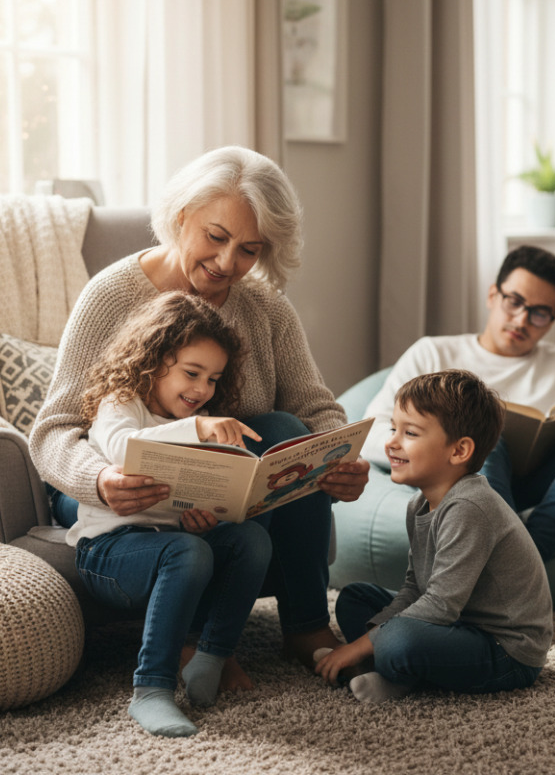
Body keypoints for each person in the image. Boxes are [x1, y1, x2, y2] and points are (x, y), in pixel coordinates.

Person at [29, 146, 370, 675]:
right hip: (109, 487)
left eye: (250, 250)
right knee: (271, 433)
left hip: (212, 484)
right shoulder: (111, 296)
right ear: (181, 215)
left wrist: (340, 456)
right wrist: (99, 480)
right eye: (216, 237)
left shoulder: (266, 307)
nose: (228, 263)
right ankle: (195, 639)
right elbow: (54, 430)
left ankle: (305, 625)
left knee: (286, 430)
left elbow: (314, 407)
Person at [360, 245, 555, 562]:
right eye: (514, 302)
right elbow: (372, 433)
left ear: (552, 320)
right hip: (465, 478)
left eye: (539, 313)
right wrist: (434, 449)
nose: (522, 320)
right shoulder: (433, 354)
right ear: (493, 295)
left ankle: (520, 554)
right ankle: (520, 561)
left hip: (552, 488)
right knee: (484, 433)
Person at [69, 292, 271, 737]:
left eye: (214, 379)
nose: (202, 390)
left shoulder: (203, 417)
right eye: (192, 373)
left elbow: (192, 500)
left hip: (172, 543)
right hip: (108, 553)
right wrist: (197, 429)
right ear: (154, 361)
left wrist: (207, 514)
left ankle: (211, 657)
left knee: (250, 539)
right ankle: (151, 690)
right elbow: (126, 450)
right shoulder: (120, 402)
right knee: (188, 552)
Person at [314, 369, 553, 703]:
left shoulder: (470, 507)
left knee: (399, 640)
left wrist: (360, 645)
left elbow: (440, 605)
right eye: (393, 428)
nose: (391, 442)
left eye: (410, 433)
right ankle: (389, 666)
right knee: (356, 598)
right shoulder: (420, 504)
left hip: (505, 651)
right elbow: (415, 587)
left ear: (458, 451)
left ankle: (395, 673)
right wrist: (379, 633)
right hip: (452, 624)